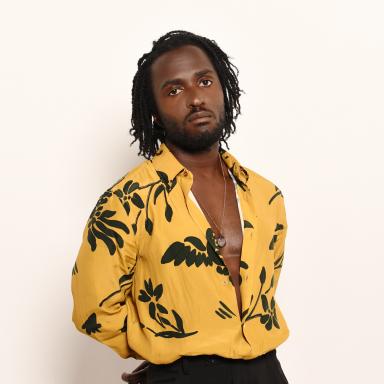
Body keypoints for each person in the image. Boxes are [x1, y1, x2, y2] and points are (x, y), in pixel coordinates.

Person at [71, 30, 290, 383]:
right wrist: (162, 351)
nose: (195, 99)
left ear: (224, 90)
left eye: (204, 81)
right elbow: (94, 309)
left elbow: (262, 292)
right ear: (154, 112)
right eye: (174, 90)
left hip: (266, 370)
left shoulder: (265, 196)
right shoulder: (127, 202)